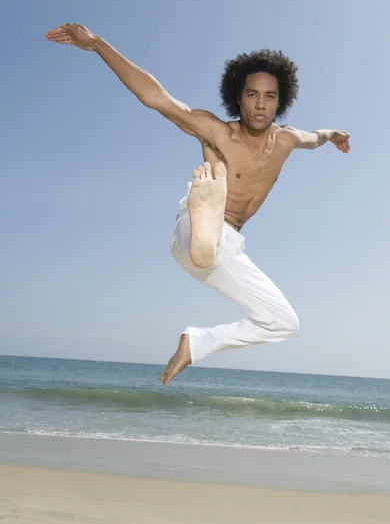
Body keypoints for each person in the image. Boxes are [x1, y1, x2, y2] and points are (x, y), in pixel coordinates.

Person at [46, 23, 351, 385]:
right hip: (192, 229)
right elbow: (156, 97)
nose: (261, 104)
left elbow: (315, 137)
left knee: (284, 322)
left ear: (280, 101)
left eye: (270, 96)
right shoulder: (216, 130)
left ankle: (196, 343)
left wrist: (334, 135)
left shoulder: (286, 139)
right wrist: (97, 44)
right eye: (252, 95)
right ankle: (208, 197)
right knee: (216, 171)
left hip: (225, 249)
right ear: (238, 97)